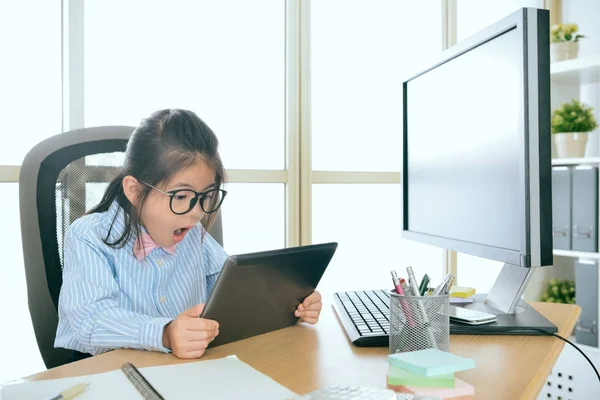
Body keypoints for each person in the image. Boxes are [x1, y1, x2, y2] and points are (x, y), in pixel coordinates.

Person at [55, 109, 322, 360]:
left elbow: (233, 290)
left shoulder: (193, 236)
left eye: (206, 196)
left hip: (186, 372)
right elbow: (90, 321)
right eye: (181, 196)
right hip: (112, 376)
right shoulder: (88, 236)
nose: (196, 213)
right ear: (134, 191)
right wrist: (164, 333)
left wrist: (288, 302)